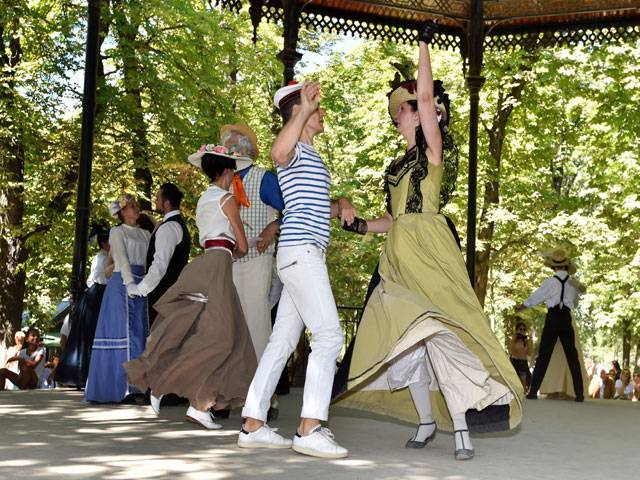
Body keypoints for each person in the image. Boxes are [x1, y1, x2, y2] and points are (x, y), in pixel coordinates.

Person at [333, 22, 523, 461]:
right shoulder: (396, 166)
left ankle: (459, 427)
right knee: (405, 339)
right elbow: (392, 218)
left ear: (422, 112)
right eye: (401, 107)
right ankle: (424, 419)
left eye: (407, 105)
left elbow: (424, 96)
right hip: (398, 254)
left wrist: (423, 43)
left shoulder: (432, 152)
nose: (402, 110)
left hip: (430, 250)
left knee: (439, 334)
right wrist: (359, 225)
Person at [237, 80, 356, 459]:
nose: (321, 113)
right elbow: (277, 150)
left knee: (282, 342)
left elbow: (318, 207)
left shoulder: (311, 158)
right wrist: (304, 107)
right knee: (329, 336)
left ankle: (253, 422)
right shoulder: (294, 151)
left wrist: (343, 203)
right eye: (314, 107)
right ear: (298, 112)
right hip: (302, 254)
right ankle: (310, 428)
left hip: (298, 255)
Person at [124, 145, 257, 430]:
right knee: (222, 338)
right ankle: (162, 385)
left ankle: (200, 404)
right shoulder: (227, 200)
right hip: (218, 267)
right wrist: (237, 243)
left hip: (207, 264)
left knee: (226, 338)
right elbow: (243, 247)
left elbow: (206, 240)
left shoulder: (204, 200)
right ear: (229, 171)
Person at [220, 123, 285, 419]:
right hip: (229, 262)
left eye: (231, 145)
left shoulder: (264, 179)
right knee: (229, 328)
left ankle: (265, 398)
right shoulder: (223, 182)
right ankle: (228, 394)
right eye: (225, 145)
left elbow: (291, 206)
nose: (227, 149)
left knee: (258, 326)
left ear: (245, 149)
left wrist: (275, 225)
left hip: (258, 259)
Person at [84, 194, 150, 403]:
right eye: (130, 206)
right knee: (124, 333)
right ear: (122, 212)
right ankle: (122, 387)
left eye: (135, 205)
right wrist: (130, 283)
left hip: (141, 285)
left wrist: (146, 284)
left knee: (139, 332)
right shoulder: (117, 232)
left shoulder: (146, 234)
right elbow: (120, 259)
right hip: (122, 285)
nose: (135, 208)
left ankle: (139, 385)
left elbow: (150, 260)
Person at [516, 247, 586, 402]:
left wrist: (524, 305)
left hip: (553, 317)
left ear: (553, 266)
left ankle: (533, 391)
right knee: (572, 357)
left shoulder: (550, 282)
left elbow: (538, 296)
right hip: (566, 317)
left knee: (544, 355)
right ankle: (579, 394)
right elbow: (574, 303)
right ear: (567, 266)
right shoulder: (574, 284)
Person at [127, 183, 191, 326]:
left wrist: (140, 289)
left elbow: (159, 265)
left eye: (157, 198)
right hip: (170, 295)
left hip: (162, 297)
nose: (155, 201)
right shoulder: (176, 224)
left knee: (157, 342)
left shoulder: (168, 228)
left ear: (166, 203)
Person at [55, 225, 110, 388]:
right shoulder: (103, 258)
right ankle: (84, 376)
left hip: (94, 297)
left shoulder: (103, 256)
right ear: (105, 243)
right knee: (91, 337)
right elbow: (104, 279)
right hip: (97, 297)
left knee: (88, 337)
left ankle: (85, 376)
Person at [509, 321, 532, 390]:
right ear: (517, 330)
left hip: (523, 361)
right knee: (514, 378)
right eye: (520, 329)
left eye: (524, 329)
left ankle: (524, 390)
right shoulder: (514, 339)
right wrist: (515, 338)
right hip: (514, 360)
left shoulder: (526, 340)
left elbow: (529, 353)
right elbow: (511, 351)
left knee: (523, 378)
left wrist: (528, 341)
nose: (522, 331)